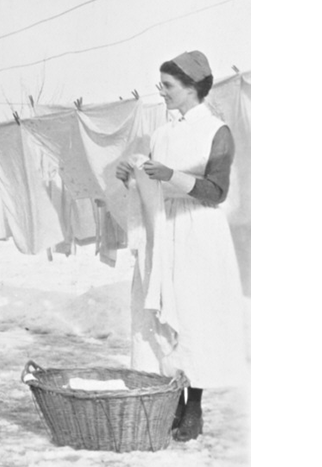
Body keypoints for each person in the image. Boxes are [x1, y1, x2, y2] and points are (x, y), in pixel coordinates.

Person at [115, 51, 247, 442]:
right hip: (165, 230)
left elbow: (217, 190)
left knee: (194, 314)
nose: (163, 93)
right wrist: (132, 176)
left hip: (199, 231)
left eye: (168, 86)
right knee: (162, 313)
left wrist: (172, 175)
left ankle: (194, 408)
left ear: (192, 88)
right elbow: (153, 186)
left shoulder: (216, 131)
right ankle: (172, 398)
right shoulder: (161, 133)